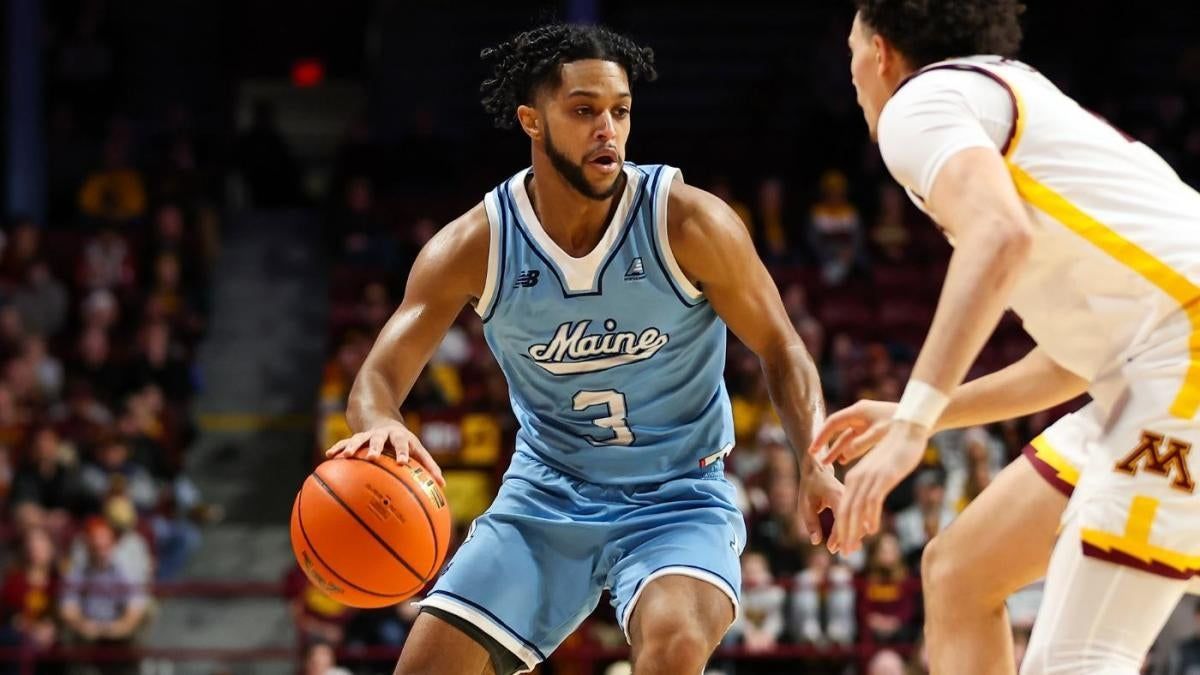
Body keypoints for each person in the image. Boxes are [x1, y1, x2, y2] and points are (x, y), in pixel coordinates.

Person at [324, 23, 841, 675]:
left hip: (678, 494)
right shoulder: (476, 245)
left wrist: (814, 458)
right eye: (584, 110)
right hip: (546, 494)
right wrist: (380, 423)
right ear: (531, 121)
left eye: (620, 111)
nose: (608, 129)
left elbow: (782, 346)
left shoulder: (688, 222)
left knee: (676, 645)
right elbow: (375, 382)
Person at [809, 1, 1200, 673]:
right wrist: (914, 413)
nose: (853, 80)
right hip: (1145, 368)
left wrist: (909, 436)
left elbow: (1000, 236)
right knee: (961, 570)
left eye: (851, 58)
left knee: (1078, 656)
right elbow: (1074, 362)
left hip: (1181, 358)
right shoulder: (1003, 94)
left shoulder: (919, 105)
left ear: (880, 54)